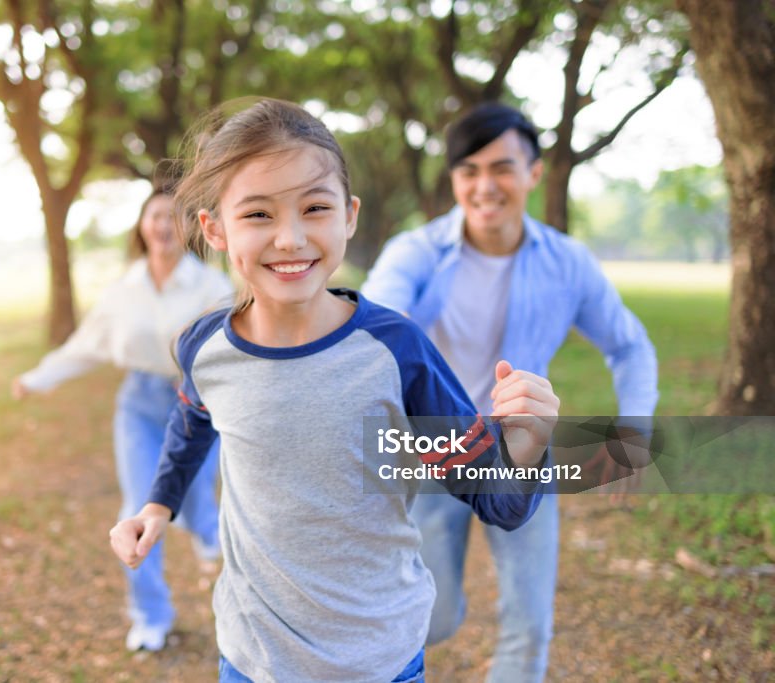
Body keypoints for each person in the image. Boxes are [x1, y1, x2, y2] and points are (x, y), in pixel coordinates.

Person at [109, 98, 561, 683]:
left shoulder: (397, 351)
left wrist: (527, 445)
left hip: (379, 660)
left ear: (348, 216)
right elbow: (193, 421)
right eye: (258, 215)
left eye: (314, 208)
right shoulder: (206, 348)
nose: (291, 238)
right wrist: (158, 504)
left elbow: (498, 501)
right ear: (214, 228)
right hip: (251, 659)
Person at [361, 102, 659, 683]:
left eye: (501, 167)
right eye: (468, 171)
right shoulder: (416, 252)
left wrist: (636, 429)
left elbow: (630, 346)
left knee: (529, 624)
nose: (484, 185)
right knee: (433, 616)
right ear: (453, 180)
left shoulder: (567, 262)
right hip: (436, 454)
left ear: (534, 174)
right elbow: (377, 319)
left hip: (525, 455)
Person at [12, 188, 233, 652]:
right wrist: (38, 378)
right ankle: (151, 615)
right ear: (142, 226)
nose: (163, 225)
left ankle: (207, 532)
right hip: (138, 405)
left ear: (189, 226)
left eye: (173, 217)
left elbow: (232, 348)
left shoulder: (211, 288)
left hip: (194, 404)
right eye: (154, 216)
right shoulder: (124, 290)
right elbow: (86, 344)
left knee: (192, 498)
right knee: (138, 505)